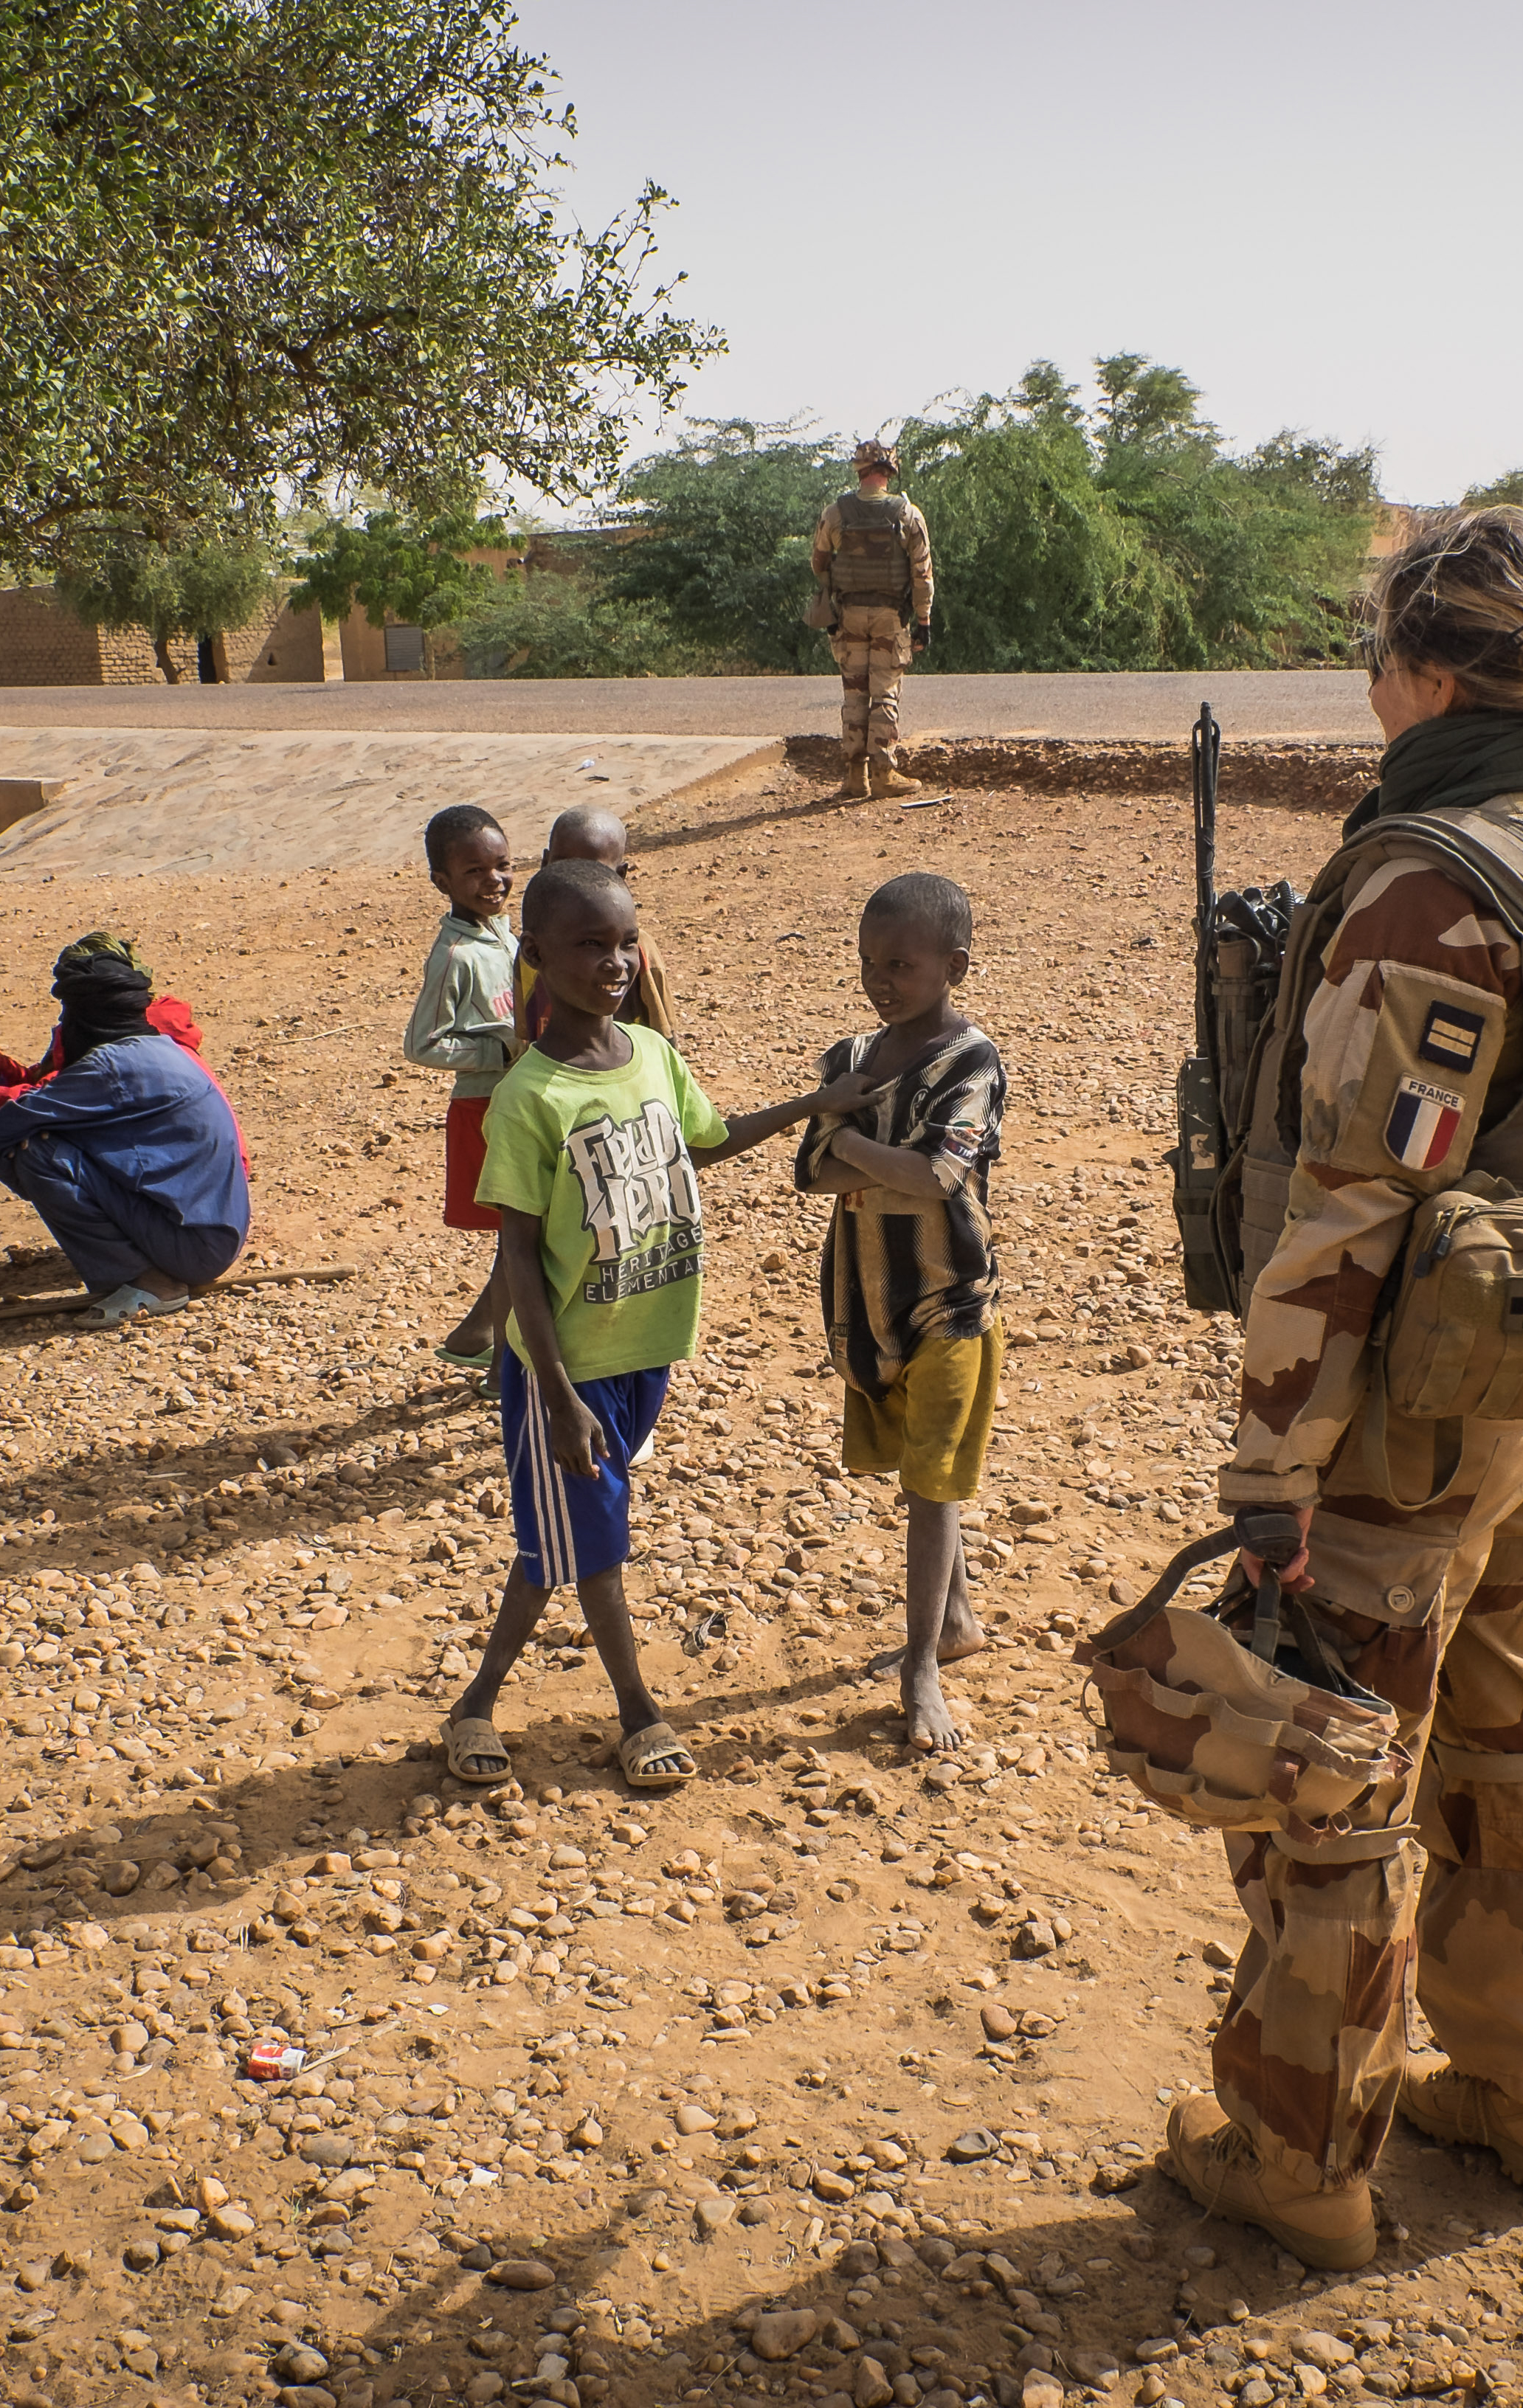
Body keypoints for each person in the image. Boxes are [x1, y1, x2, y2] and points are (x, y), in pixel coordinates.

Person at [1156, 506, 1523, 2266]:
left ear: (1423, 668)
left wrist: (1272, 1467)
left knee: (1327, 1764)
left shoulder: (1434, 879)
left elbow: (1351, 1204)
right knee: (1509, 1719)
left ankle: (1296, 2149)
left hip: (1415, 1417)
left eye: (1373, 661)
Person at [439, 860, 873, 1796]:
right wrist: (554, 1396)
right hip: (567, 1371)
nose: (614, 962)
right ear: (538, 956)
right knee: (591, 1549)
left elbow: (706, 1143)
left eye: (626, 941)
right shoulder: (530, 1098)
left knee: (557, 1543)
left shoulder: (653, 1057)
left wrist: (811, 1106)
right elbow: (516, 1256)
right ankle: (638, 1712)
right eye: (590, 945)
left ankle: (474, 1703)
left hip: (643, 1351)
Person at [792, 873, 1006, 1751]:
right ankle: (953, 1622)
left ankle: (922, 1667)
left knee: (930, 1486)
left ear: (954, 965)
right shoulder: (849, 1057)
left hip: (951, 1300)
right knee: (923, 1472)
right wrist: (871, 1156)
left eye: (902, 965)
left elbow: (939, 1179)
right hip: (864, 1301)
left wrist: (849, 1141)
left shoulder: (972, 1062)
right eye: (870, 963)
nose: (882, 981)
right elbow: (810, 1174)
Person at [0, 946, 251, 1329]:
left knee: (39, 1152)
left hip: (193, 1249)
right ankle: (143, 1263)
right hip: (220, 1233)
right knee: (62, 1141)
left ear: (84, 1016)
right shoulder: (162, 1048)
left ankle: (151, 1284)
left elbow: (1, 1131)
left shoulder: (109, 1067)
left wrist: (30, 1182)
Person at [0, 931, 246, 1174]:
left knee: (37, 1149)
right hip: (202, 1183)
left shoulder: (124, 1042)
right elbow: (46, 1084)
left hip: (190, 1188)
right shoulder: (108, 1025)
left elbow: (30, 1104)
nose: (64, 1014)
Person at [401, 803, 517, 1371]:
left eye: (502, 865)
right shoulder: (456, 956)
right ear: (442, 883)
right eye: (474, 872)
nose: (493, 880)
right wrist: (496, 1050)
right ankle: (506, 1370)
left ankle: (478, 1339)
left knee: (525, 1234)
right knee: (525, 1233)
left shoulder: (504, 935)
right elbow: (422, 1043)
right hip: (485, 1107)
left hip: (520, 1103)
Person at [810, 438, 935, 801]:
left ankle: (854, 778)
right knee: (884, 694)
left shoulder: (835, 513)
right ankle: (883, 774)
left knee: (854, 693)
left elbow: (818, 563)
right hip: (890, 616)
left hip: (848, 616)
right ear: (889, 472)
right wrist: (924, 621)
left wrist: (833, 602)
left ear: (860, 471)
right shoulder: (907, 514)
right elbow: (922, 575)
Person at [511, 806, 674, 1047]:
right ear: (545, 863)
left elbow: (666, 1038)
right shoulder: (533, 951)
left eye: (594, 869)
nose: (580, 881)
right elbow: (528, 1036)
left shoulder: (637, 949)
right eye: (565, 865)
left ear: (620, 875)